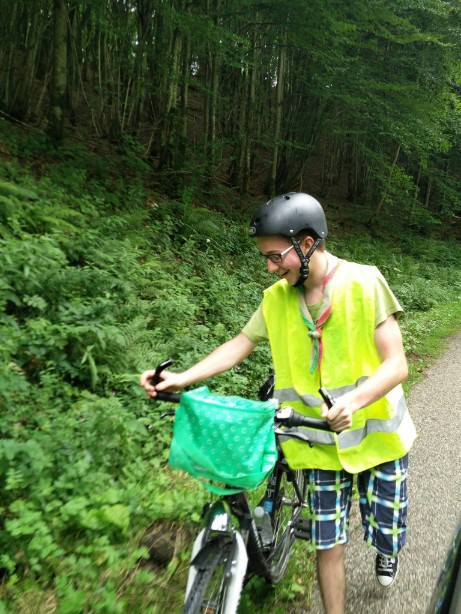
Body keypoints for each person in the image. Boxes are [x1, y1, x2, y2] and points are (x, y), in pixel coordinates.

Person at [140, 192, 417, 614]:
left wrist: (354, 401)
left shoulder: (365, 282)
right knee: (329, 544)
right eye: (266, 258)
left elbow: (396, 364)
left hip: (379, 439)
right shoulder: (275, 298)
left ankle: (385, 548)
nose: (269, 268)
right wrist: (181, 377)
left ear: (306, 244)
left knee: (387, 531)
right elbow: (240, 344)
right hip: (317, 443)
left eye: (275, 256)